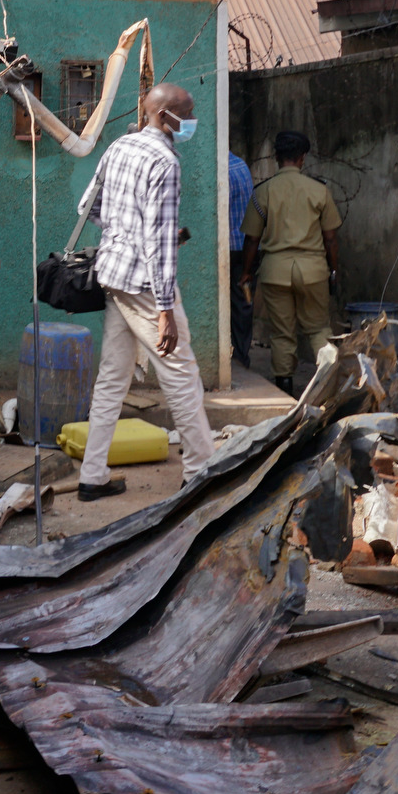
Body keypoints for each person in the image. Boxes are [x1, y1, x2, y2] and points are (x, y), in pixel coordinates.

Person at [73, 83, 218, 500]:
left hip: (114, 275)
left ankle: (92, 475)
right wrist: (165, 309)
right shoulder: (165, 162)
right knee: (181, 375)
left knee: (113, 377)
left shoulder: (121, 145)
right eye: (187, 112)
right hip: (145, 286)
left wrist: (124, 237)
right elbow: (156, 242)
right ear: (165, 116)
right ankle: (200, 473)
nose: (192, 120)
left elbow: (90, 207)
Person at [237, 130, 342, 397]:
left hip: (275, 272)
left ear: (276, 158)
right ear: (303, 158)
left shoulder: (263, 192)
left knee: (282, 334)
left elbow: (251, 240)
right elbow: (331, 239)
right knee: (319, 328)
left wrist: (247, 273)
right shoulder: (319, 191)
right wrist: (333, 270)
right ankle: (327, 384)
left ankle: (285, 388)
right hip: (313, 270)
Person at [227, 149, 254, 369]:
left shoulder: (221, 171)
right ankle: (242, 356)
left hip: (225, 246)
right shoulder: (240, 165)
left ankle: (233, 356)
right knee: (241, 303)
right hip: (245, 246)